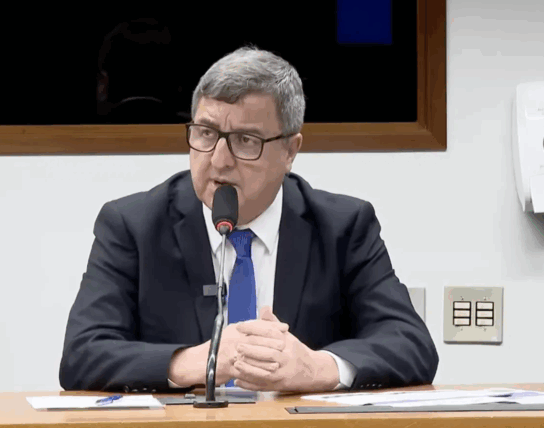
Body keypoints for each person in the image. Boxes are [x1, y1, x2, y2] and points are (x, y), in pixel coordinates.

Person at [60, 46, 438, 393]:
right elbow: (82, 354)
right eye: (206, 133)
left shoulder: (343, 227)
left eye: (244, 140)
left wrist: (316, 367)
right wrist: (199, 361)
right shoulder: (133, 225)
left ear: (289, 150)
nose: (218, 160)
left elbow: (410, 344)